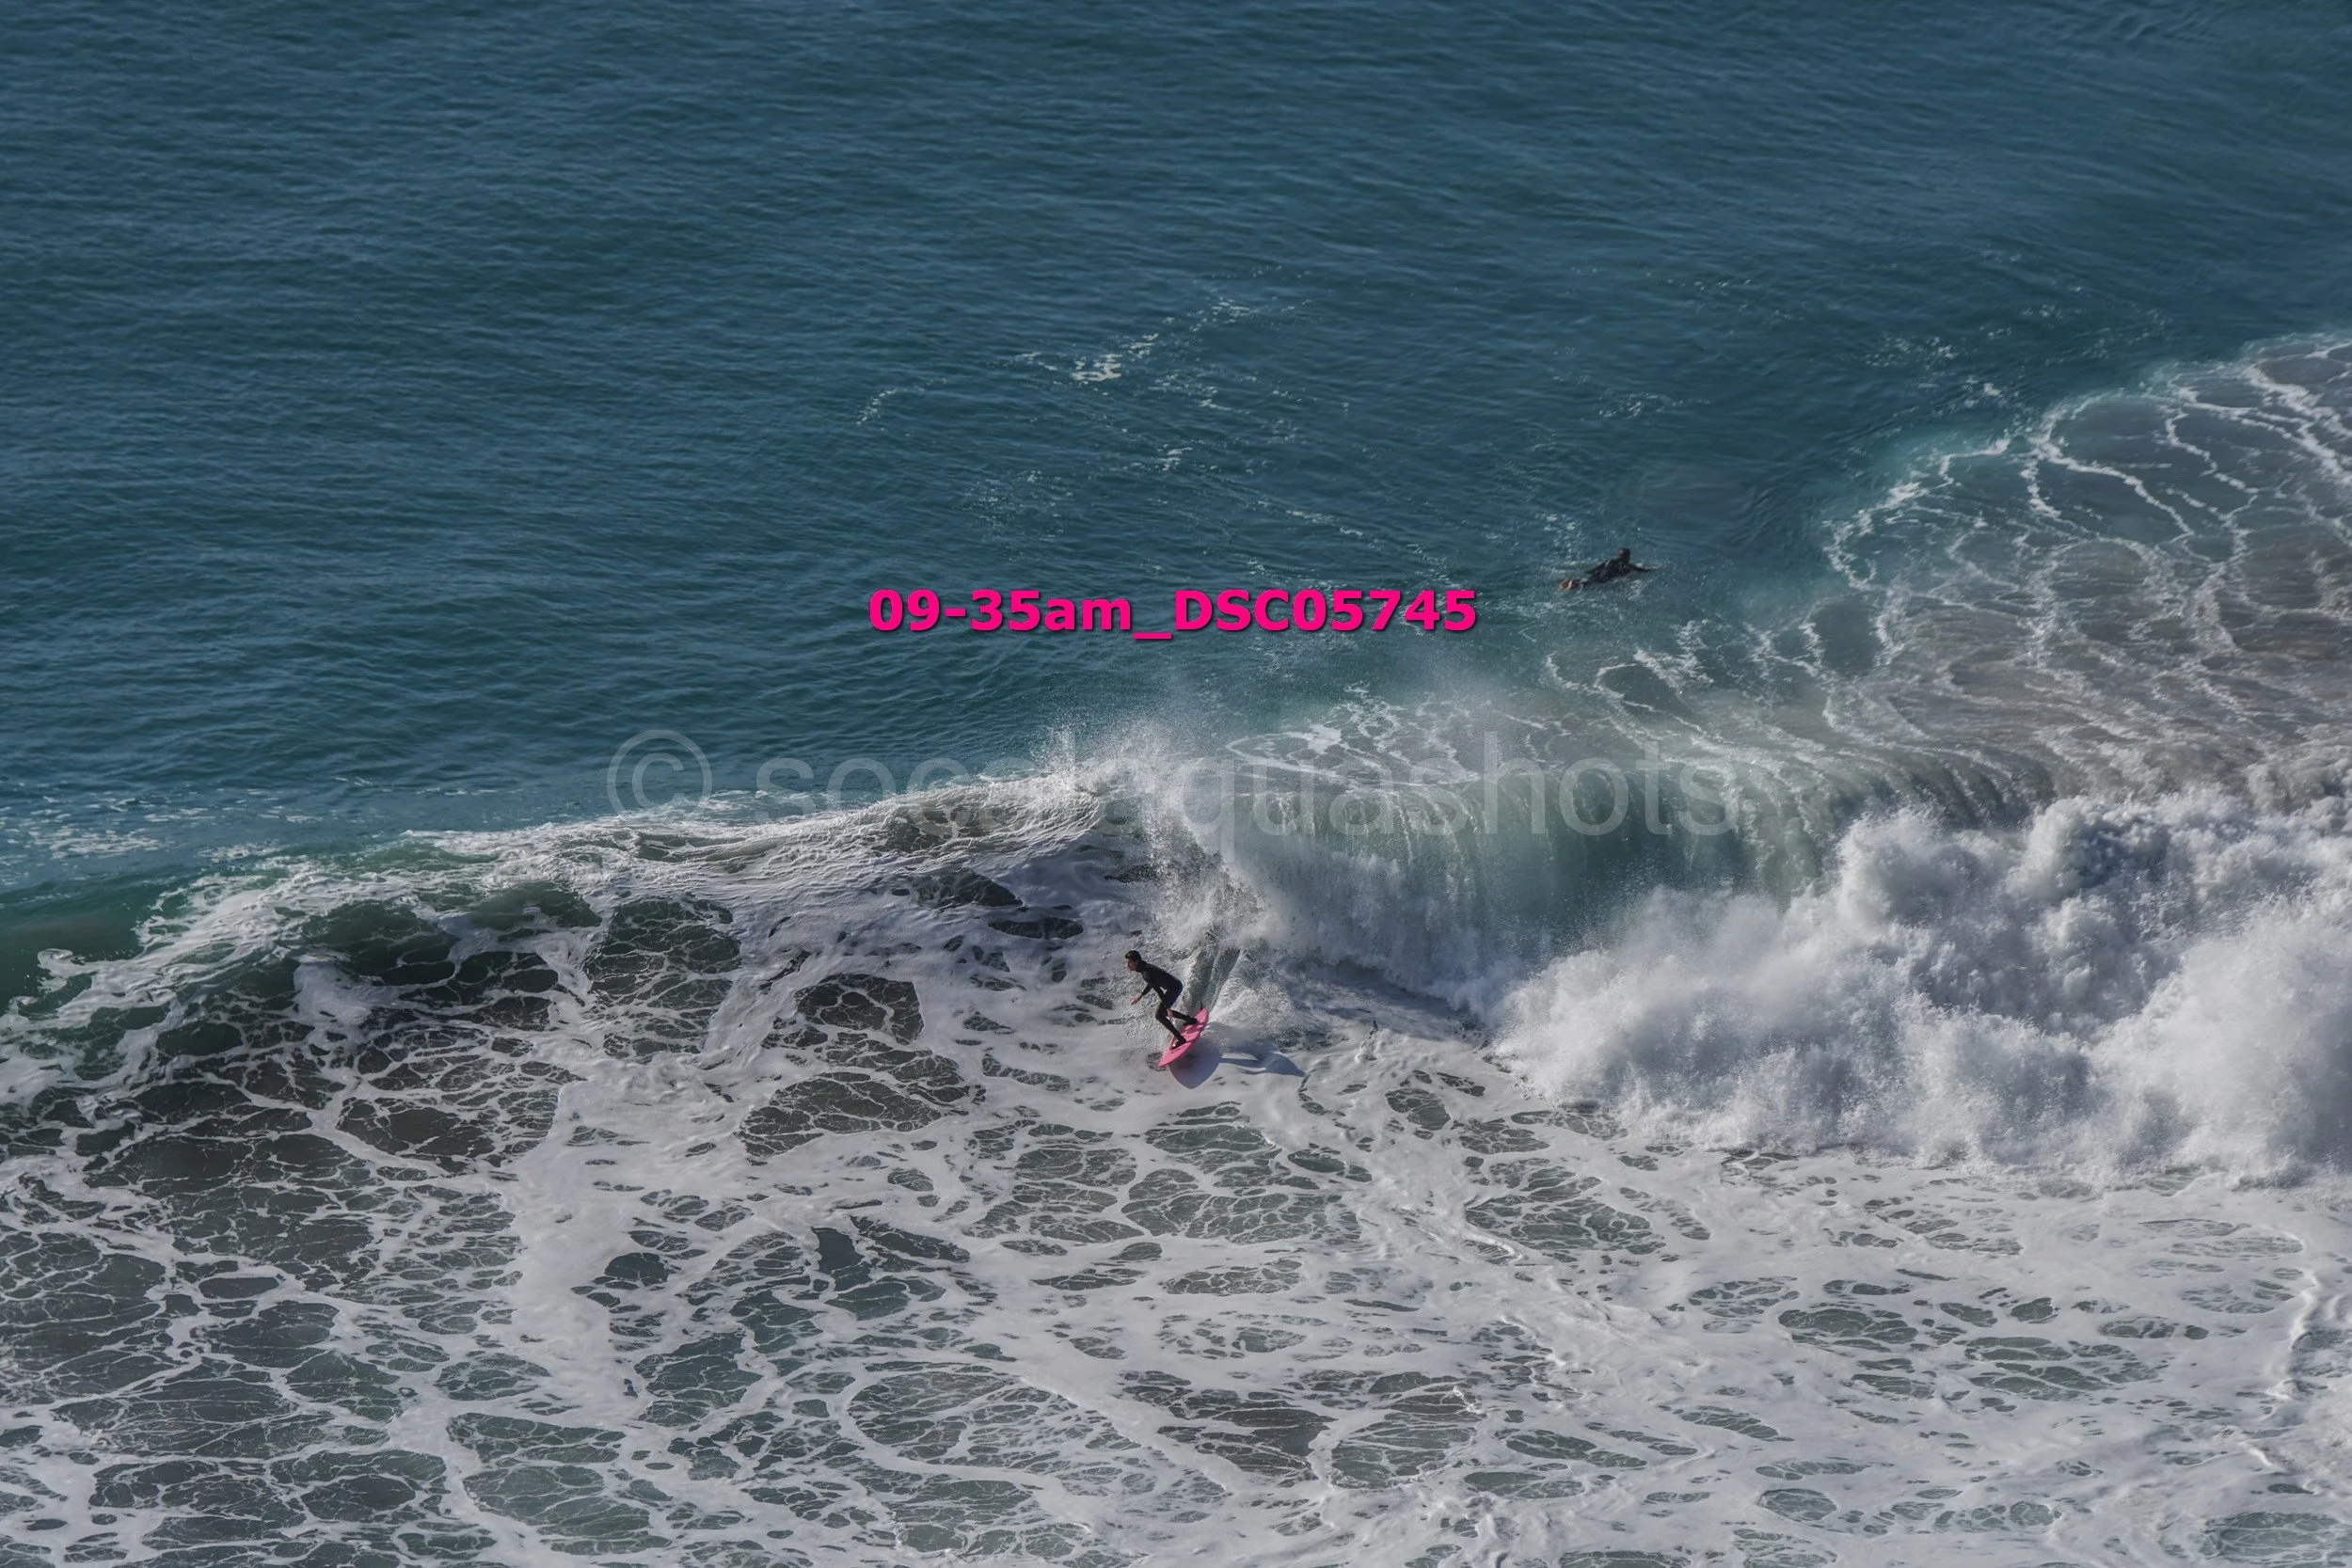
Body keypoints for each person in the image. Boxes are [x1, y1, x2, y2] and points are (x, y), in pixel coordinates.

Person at [1125, 950, 1197, 1046]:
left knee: (1159, 1015)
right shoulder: (1145, 968)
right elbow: (1151, 983)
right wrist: (1141, 996)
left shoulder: (1146, 973)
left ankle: (1181, 1039)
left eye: (1129, 962)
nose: (1127, 965)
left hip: (1174, 988)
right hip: (1175, 986)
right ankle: (1190, 1020)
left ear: (1136, 962)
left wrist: (1168, 1008)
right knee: (1161, 1013)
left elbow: (1159, 991)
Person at [1561, 547, 1656, 591]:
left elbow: (1593, 570)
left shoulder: (1609, 561)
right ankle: (1573, 583)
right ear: (1628, 557)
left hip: (1596, 575)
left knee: (1587, 580)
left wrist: (1585, 571)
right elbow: (1644, 570)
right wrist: (1656, 569)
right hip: (1603, 579)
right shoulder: (1629, 566)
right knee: (1587, 583)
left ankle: (1570, 582)